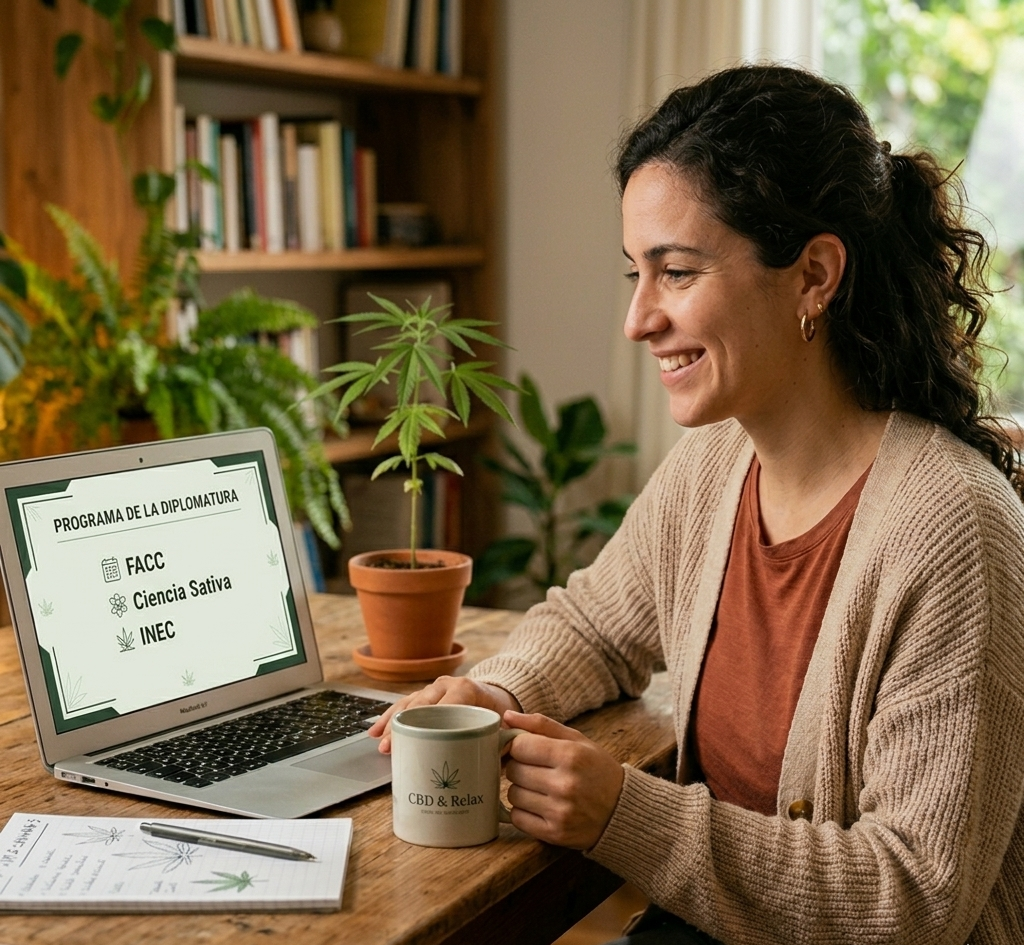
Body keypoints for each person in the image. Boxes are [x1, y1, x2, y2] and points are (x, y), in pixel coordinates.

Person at [368, 65, 1024, 945]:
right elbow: (599, 624)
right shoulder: (714, 465)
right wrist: (492, 689)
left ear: (814, 275)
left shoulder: (954, 531)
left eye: (675, 271)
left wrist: (625, 813)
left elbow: (913, 895)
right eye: (636, 273)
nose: (638, 318)